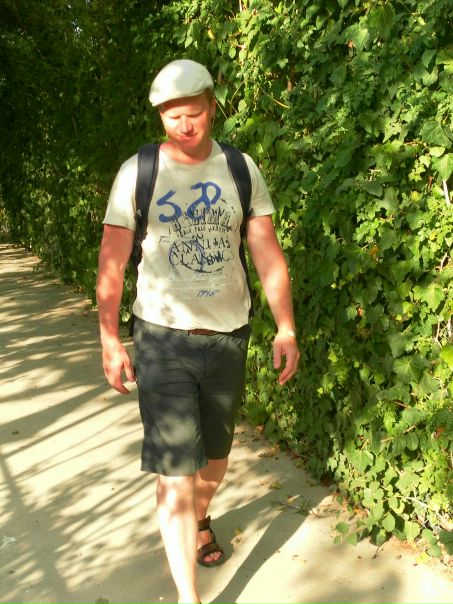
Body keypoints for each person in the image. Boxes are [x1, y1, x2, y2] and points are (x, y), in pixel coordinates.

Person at [96, 59, 300, 604]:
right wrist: (110, 338)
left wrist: (285, 327)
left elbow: (266, 252)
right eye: (172, 117)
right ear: (160, 117)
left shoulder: (239, 169)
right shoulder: (138, 172)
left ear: (212, 106)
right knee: (175, 475)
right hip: (162, 340)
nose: (184, 126)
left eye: (194, 114)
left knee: (213, 463)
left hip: (228, 336)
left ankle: (201, 516)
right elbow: (112, 261)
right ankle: (190, 596)